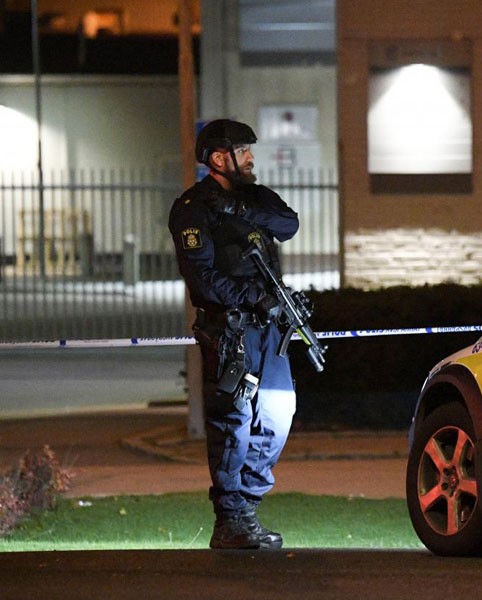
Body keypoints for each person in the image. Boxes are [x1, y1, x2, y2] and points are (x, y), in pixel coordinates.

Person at [168, 119, 300, 550]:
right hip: (229, 331)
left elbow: (288, 224)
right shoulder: (192, 209)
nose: (251, 158)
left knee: (278, 416)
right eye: (243, 150)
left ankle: (247, 504)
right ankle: (230, 517)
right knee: (233, 422)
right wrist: (249, 297)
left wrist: (243, 210)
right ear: (219, 158)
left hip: (270, 329)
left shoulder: (254, 198)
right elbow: (201, 277)